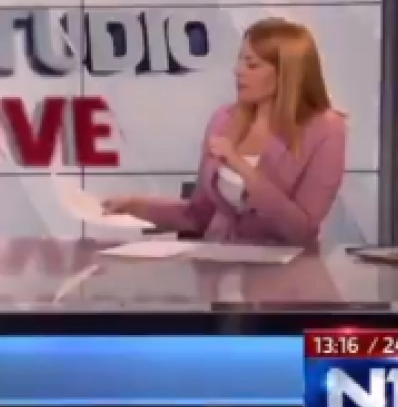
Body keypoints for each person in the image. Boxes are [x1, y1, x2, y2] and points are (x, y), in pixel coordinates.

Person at [103, 17, 346, 247]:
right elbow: (197, 216)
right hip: (216, 263)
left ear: (286, 73)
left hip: (286, 271)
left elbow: (301, 230)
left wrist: (240, 165)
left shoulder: (326, 130)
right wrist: (134, 206)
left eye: (252, 65)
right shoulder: (224, 120)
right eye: (240, 61)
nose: (238, 71)